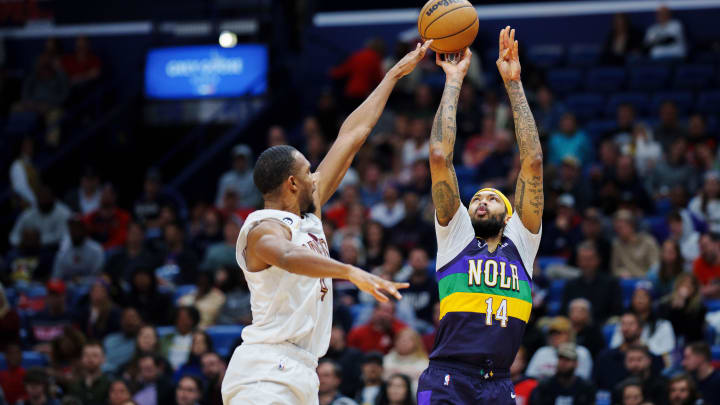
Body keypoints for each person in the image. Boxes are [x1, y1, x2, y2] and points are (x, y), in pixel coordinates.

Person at [221, 41, 431, 405]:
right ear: (291, 184)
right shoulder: (261, 228)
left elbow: (351, 136)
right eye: (308, 173)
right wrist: (349, 271)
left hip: (302, 370)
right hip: (266, 370)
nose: (315, 178)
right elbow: (286, 256)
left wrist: (394, 74)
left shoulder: (308, 213)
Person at [417, 27, 543, 405]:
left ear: (509, 216)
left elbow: (533, 162)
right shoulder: (455, 236)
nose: (483, 200)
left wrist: (514, 83)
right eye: (477, 198)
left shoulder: (522, 241)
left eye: (493, 198)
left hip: (499, 384)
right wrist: (454, 80)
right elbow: (440, 157)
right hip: (447, 378)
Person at [610, 284, 676, 361]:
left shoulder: (663, 325)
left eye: (644, 296)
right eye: (636, 296)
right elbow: (614, 346)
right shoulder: (624, 322)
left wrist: (644, 346)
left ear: (651, 300)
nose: (640, 300)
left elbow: (668, 352)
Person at [561, 241, 623, 324]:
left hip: (602, 327)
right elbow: (563, 312)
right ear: (578, 262)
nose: (586, 263)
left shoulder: (611, 283)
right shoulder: (570, 285)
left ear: (598, 260)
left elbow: (617, 312)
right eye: (583, 259)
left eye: (590, 259)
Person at [525, 316, 593, 380]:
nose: (555, 336)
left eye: (559, 333)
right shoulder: (542, 352)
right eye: (552, 333)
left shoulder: (581, 353)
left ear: (570, 334)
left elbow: (583, 380)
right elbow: (530, 376)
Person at [528, 343, 596, 405]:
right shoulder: (544, 386)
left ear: (576, 364)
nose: (563, 363)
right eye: (561, 359)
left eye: (568, 359)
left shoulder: (586, 388)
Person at [51, 216, 105, 283]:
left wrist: (82, 280)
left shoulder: (96, 250)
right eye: (72, 227)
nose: (75, 231)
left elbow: (99, 277)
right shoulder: (63, 249)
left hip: (89, 287)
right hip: (67, 287)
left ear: (85, 229)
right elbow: (56, 277)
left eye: (78, 227)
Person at [658, 273, 706, 344]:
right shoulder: (665, 303)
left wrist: (682, 307)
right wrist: (674, 309)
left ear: (695, 289)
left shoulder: (700, 308)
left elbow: (694, 333)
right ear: (677, 286)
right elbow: (663, 326)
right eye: (683, 284)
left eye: (690, 284)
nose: (687, 286)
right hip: (667, 341)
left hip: (690, 343)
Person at [611, 209, 660, 278]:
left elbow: (656, 265)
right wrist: (621, 272)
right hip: (629, 281)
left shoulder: (648, 241)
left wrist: (649, 276)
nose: (617, 231)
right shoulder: (617, 245)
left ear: (631, 226)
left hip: (647, 280)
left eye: (620, 228)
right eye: (616, 228)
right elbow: (615, 269)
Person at [83, 184, 131, 250]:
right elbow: (84, 233)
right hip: (94, 251)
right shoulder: (91, 216)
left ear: (115, 196)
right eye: (103, 193)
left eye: (109, 193)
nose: (105, 196)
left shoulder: (123, 216)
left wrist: (104, 249)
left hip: (113, 251)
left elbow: (121, 239)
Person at [215, 144, 262, 209]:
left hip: (247, 213)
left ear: (248, 160)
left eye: (242, 159)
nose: (240, 162)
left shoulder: (255, 177)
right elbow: (218, 202)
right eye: (237, 160)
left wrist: (237, 205)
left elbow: (257, 200)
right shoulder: (225, 178)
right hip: (227, 213)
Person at [383, 328, 428, 393]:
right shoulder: (387, 359)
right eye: (400, 340)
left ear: (416, 343)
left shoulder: (424, 362)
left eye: (407, 340)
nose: (403, 343)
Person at [323, 325, 364, 398]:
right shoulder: (322, 356)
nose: (330, 334)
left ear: (341, 333)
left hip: (350, 397)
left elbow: (359, 381)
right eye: (328, 331)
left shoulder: (355, 355)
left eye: (333, 331)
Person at [102, 307, 143, 373]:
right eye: (126, 318)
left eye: (133, 318)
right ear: (121, 321)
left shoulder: (142, 342)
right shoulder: (109, 340)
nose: (129, 321)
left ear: (140, 321)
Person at [159, 306, 199, 371]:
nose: (182, 322)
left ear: (193, 320)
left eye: (186, 318)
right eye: (179, 318)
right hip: (168, 372)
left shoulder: (198, 338)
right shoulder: (166, 339)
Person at [693, 233, 720, 298]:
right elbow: (698, 290)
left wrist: (713, 288)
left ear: (717, 244)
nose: (703, 251)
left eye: (705, 246)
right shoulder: (698, 263)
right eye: (701, 248)